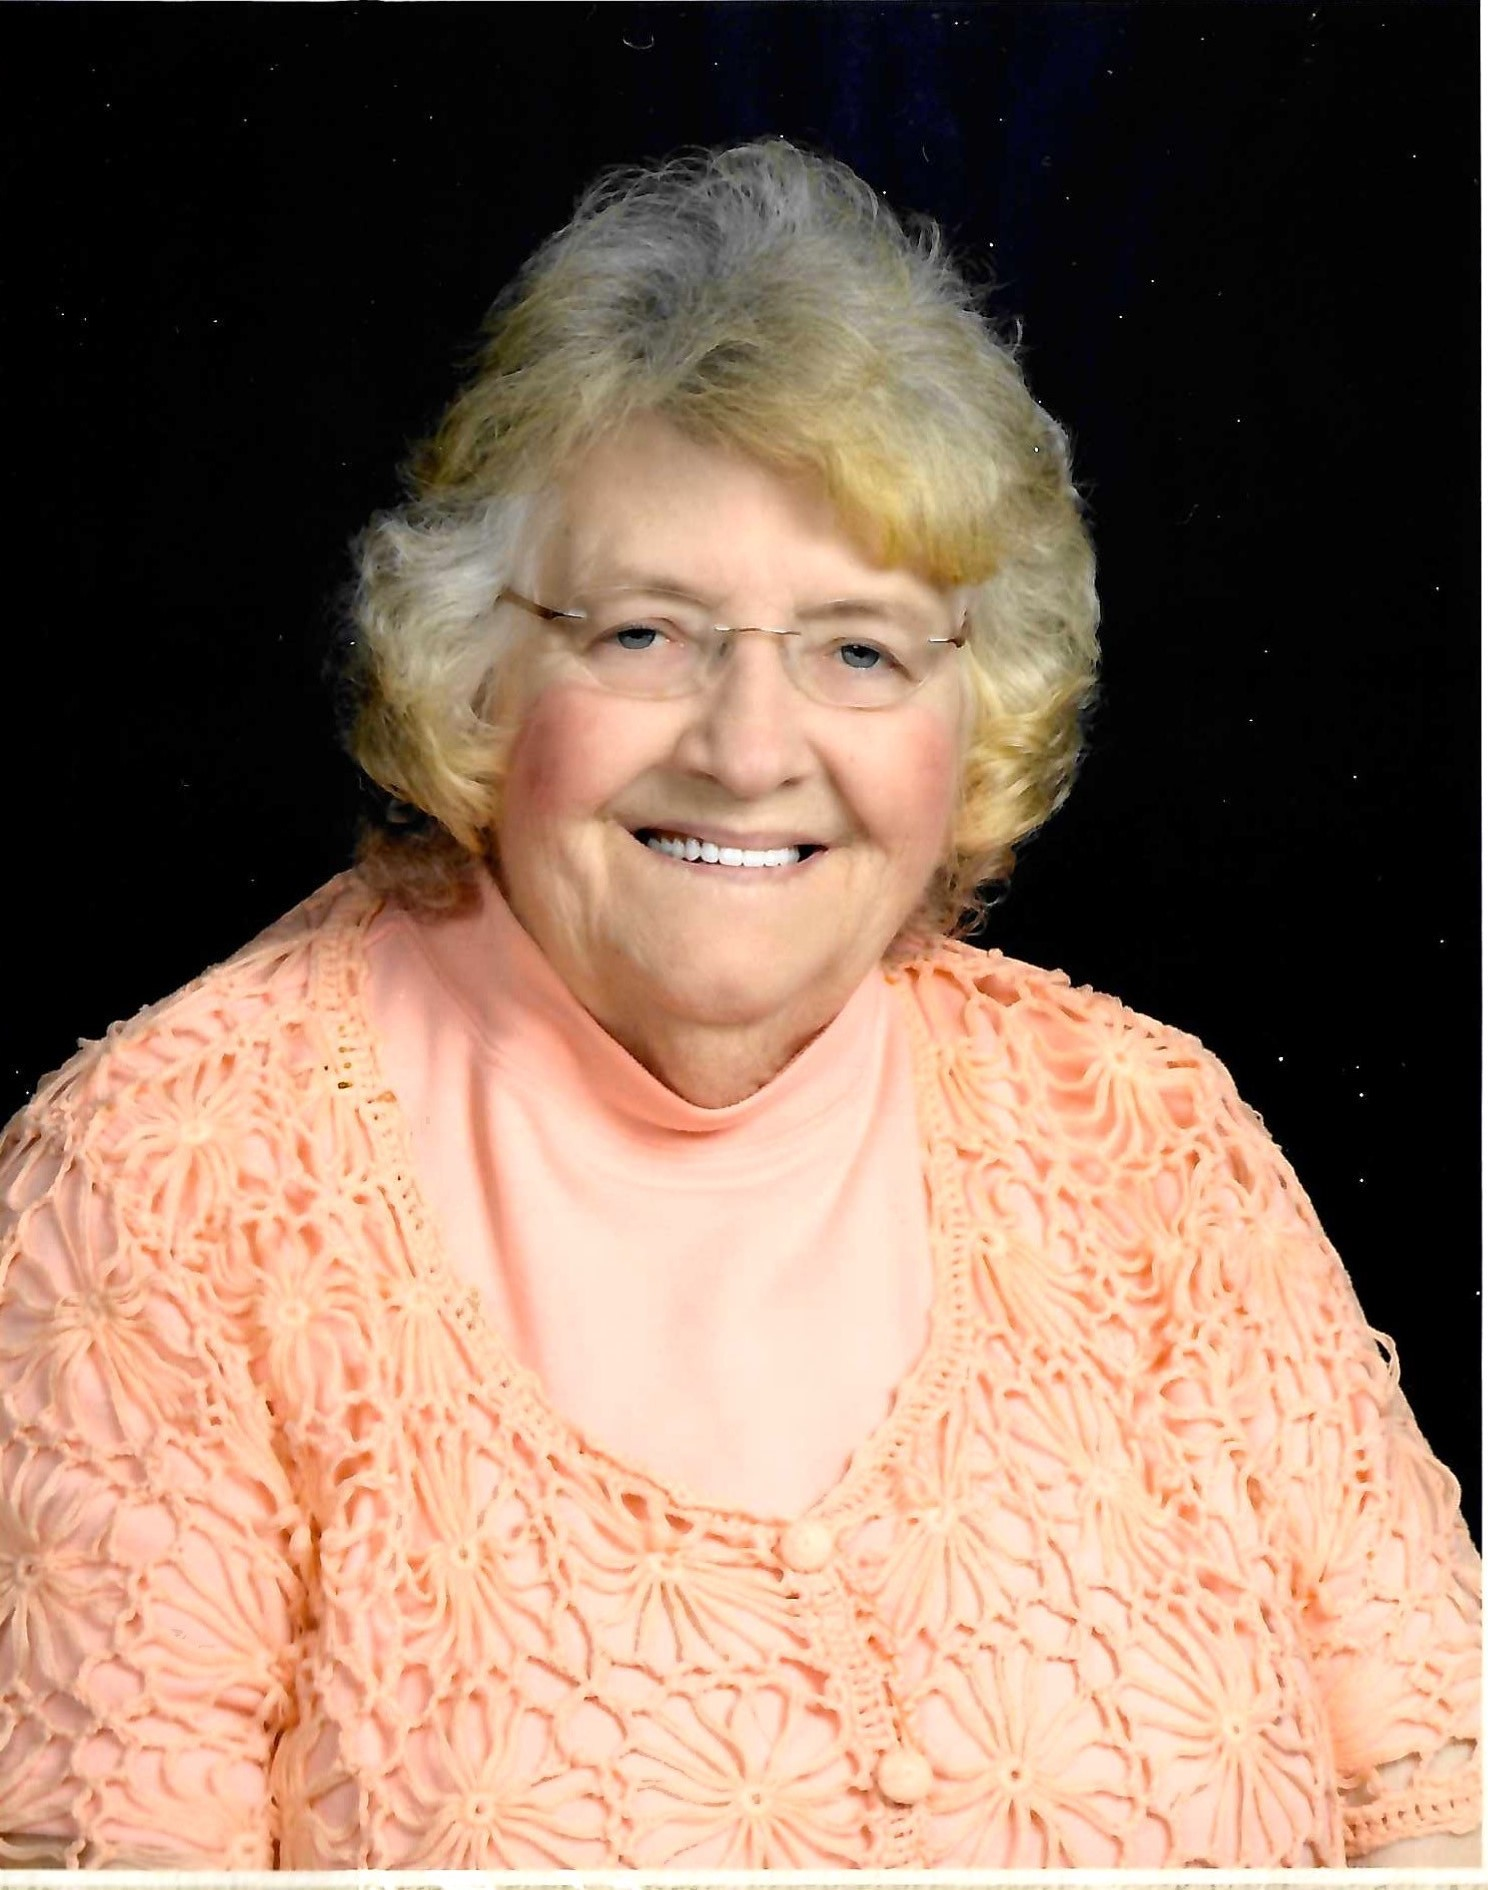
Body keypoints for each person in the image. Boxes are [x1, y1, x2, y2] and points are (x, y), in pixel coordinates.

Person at [0, 139, 1478, 1872]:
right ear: (477, 670)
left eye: (858, 648)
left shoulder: (1149, 1134)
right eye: (646, 633)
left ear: (975, 713)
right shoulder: (160, 1182)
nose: (752, 747)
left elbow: (1445, 1816)